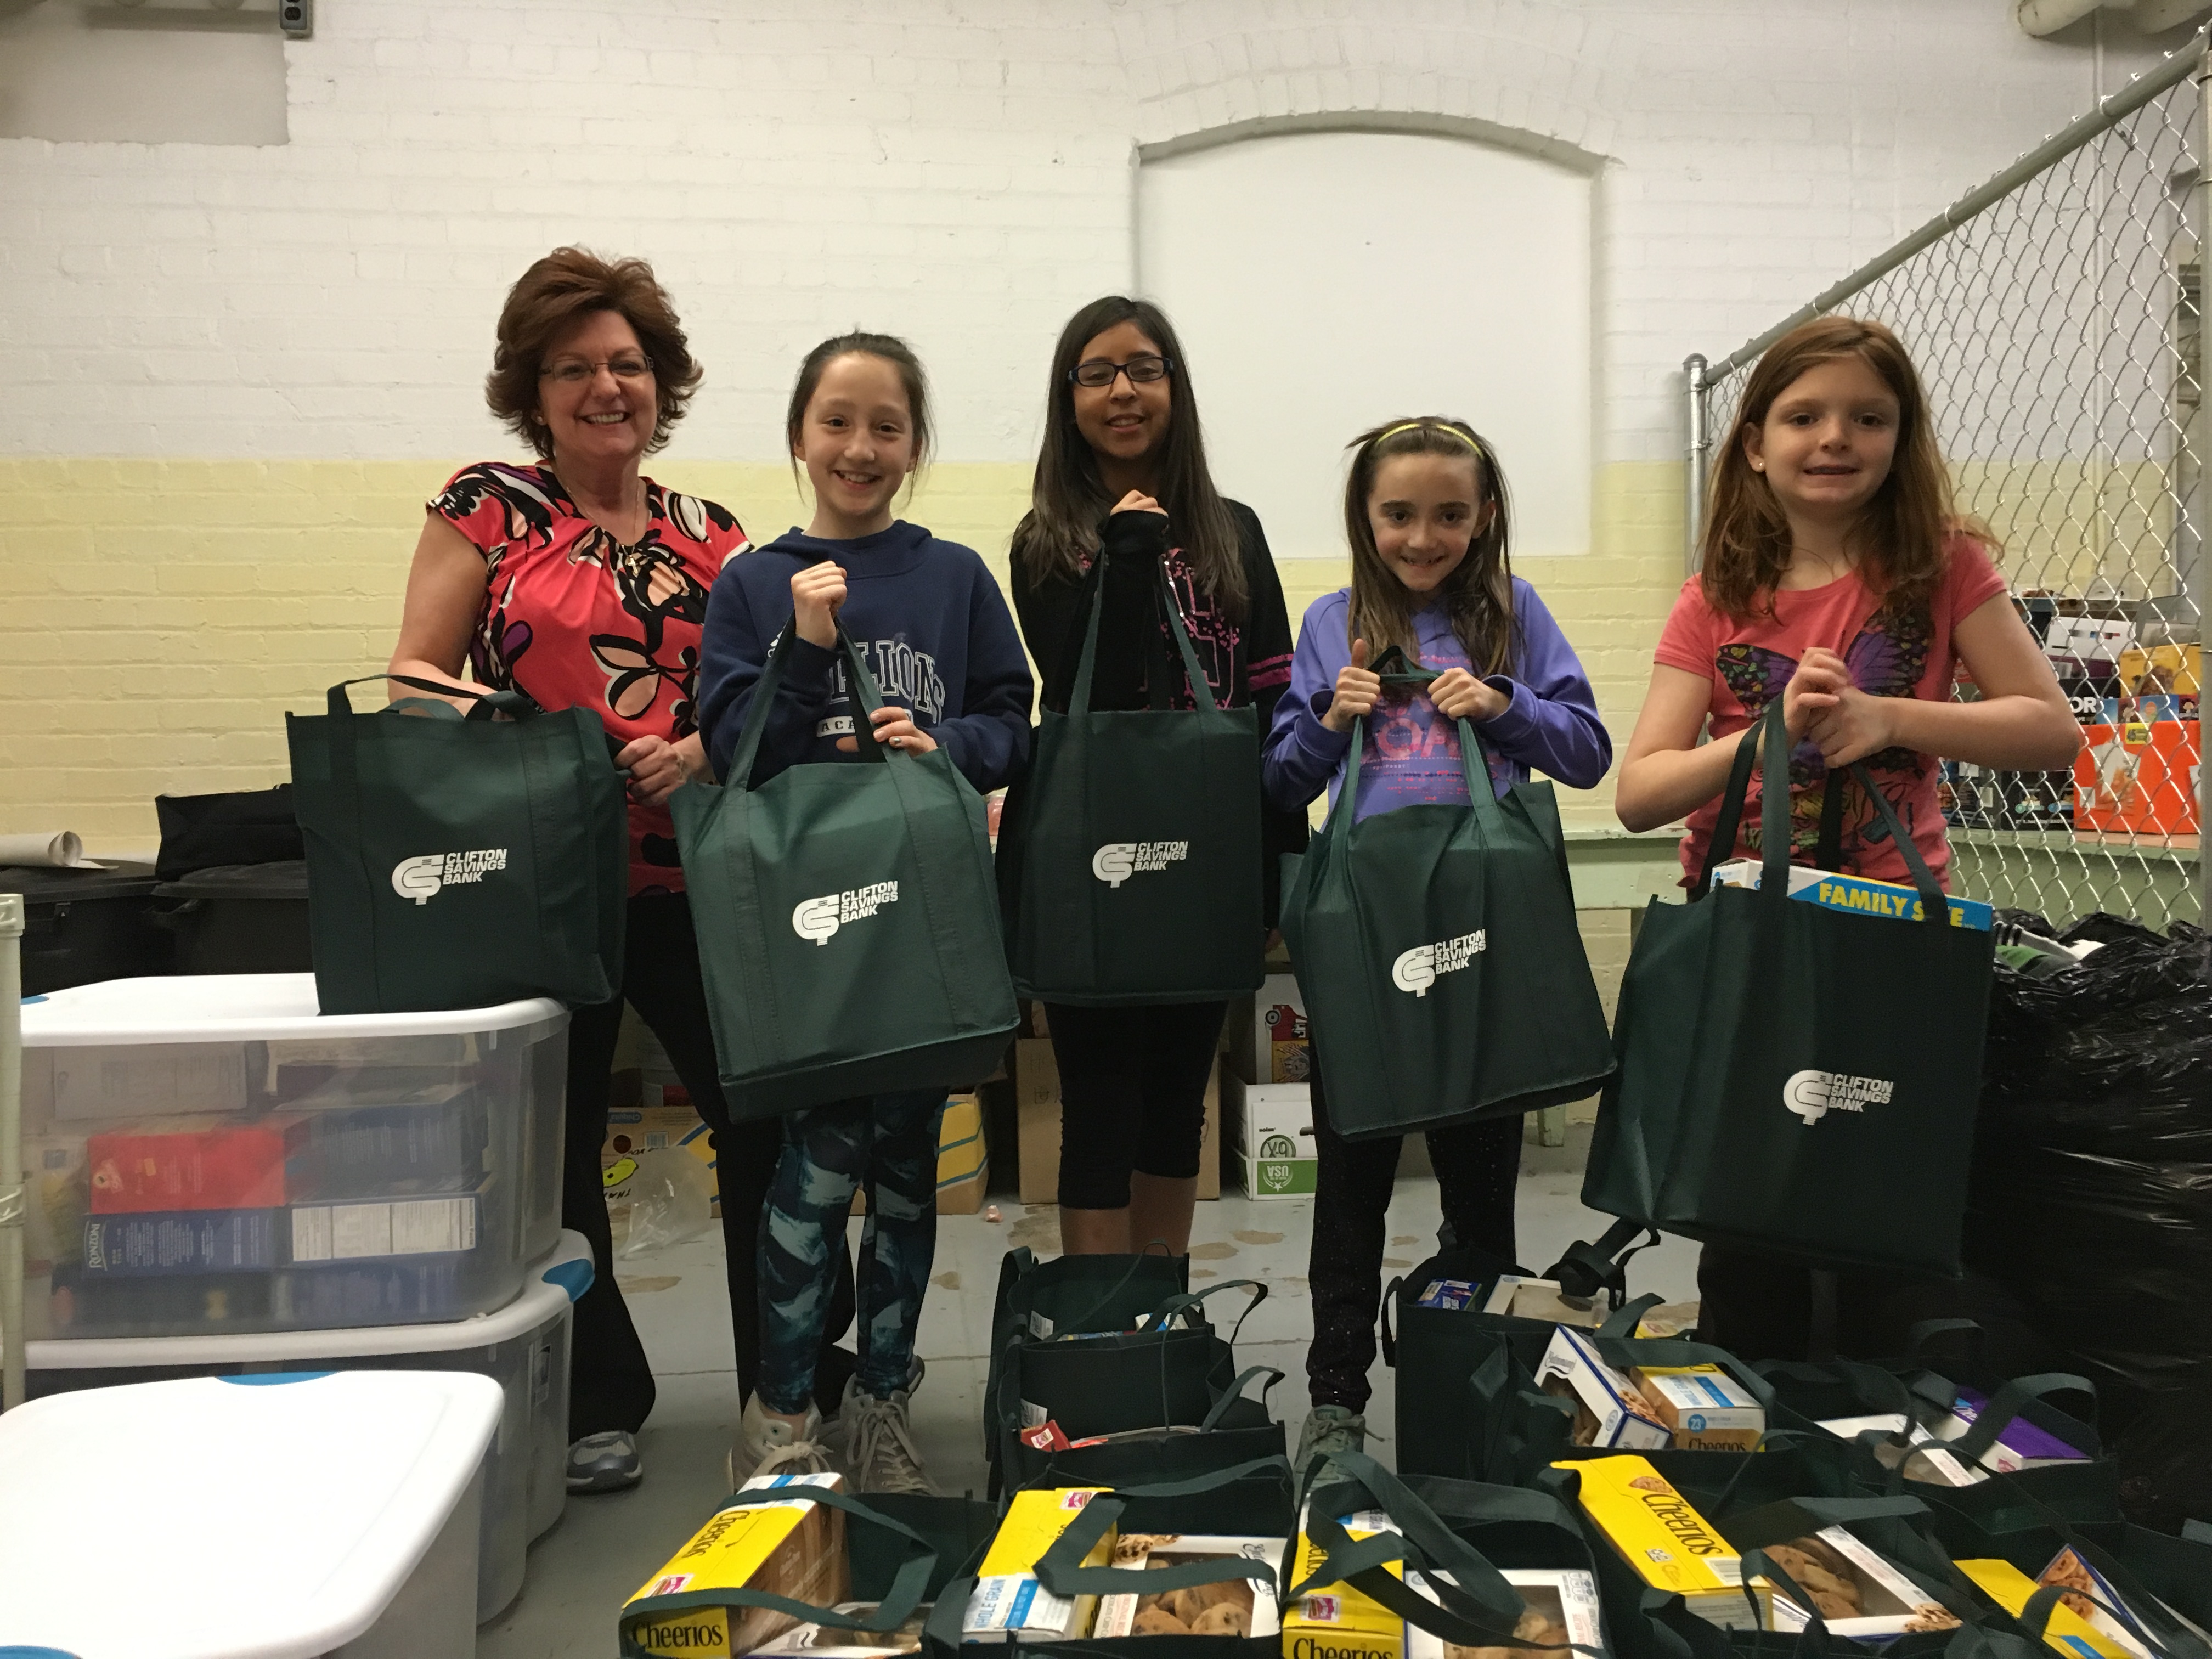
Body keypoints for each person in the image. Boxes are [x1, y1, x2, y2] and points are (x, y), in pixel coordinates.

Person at [383, 246, 859, 1496]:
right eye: (574, 368)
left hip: (703, 879)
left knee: (768, 1127)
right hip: (543, 884)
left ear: (663, 383)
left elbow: (760, 697)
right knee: (556, 1151)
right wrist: (555, 748)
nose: (607, 387)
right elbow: (415, 682)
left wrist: (697, 747)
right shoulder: (486, 507)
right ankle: (595, 1398)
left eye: (629, 364)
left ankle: (788, 1385)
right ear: (533, 392)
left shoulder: (718, 536)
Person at [1613, 315, 2081, 1360]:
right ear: (1754, 443)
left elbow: (2051, 733)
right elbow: (1640, 793)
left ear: (1900, 437)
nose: (1835, 438)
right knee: (1748, 1225)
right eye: (1804, 417)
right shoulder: (1715, 600)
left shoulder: (1944, 569)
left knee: (1883, 1205)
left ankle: (1882, 1423)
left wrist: (1891, 717)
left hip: (1891, 938)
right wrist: (1764, 737)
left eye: (1868, 418)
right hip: (1751, 946)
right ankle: (1756, 1411)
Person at [695, 331, 1032, 1492]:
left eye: (886, 425)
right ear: (801, 436)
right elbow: (731, 749)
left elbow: (1013, 725)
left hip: (923, 913)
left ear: (915, 444)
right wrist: (805, 648)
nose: (860, 446)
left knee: (907, 1169)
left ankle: (884, 1400)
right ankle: (786, 1409)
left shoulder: (955, 577)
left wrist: (947, 743)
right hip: (814, 925)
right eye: (836, 421)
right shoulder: (755, 583)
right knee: (814, 1162)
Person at [1262, 417, 1612, 1469]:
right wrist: (1329, 720)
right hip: (1371, 928)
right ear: (1365, 517)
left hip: (1480, 925)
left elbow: (1588, 752)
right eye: (1400, 515)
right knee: (1351, 1179)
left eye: (1450, 515)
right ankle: (1335, 1401)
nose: (1423, 537)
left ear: (1485, 515)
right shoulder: (1333, 622)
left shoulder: (1514, 611)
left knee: (1481, 1177)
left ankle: (1476, 1392)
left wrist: (1504, 704)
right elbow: (1279, 782)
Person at [1009, 295, 1306, 1259]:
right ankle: (1101, 1323)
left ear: (1174, 387)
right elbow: (1089, 698)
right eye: (1097, 373)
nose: (1123, 392)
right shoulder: (1046, 539)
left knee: (1179, 1101)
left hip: (1209, 856)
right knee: (1099, 1103)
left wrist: (1277, 864)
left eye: (1144, 369)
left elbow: (1274, 699)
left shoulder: (1234, 530)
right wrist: (1126, 559)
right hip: (1095, 857)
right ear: (1069, 397)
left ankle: (1161, 1314)